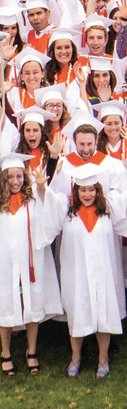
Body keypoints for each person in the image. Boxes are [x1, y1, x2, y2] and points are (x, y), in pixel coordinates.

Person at [41, 160, 127, 378]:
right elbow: (47, 200)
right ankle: (76, 356)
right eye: (83, 190)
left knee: (104, 313)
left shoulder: (108, 208)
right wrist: (41, 183)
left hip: (103, 272)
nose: (87, 194)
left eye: (91, 189)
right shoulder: (67, 210)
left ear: (97, 190)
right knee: (77, 313)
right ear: (76, 190)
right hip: (76, 274)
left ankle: (103, 358)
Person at [0, 153, 63, 377]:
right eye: (10, 177)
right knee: (5, 305)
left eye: (19, 176)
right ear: (3, 179)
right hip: (5, 264)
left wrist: (42, 187)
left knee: (32, 304)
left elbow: (51, 216)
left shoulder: (34, 198)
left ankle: (31, 351)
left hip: (31, 263)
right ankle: (5, 352)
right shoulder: (0, 203)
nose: (15, 181)